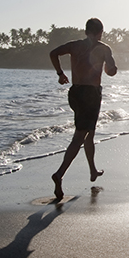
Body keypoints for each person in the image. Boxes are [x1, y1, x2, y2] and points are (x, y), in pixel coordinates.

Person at [50, 18, 117, 201]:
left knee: (89, 133)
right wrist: (111, 68)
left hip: (75, 93)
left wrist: (60, 73)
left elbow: (53, 53)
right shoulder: (104, 48)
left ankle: (93, 170)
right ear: (100, 32)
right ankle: (59, 174)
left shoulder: (75, 45)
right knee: (80, 135)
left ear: (86, 31)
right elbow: (111, 71)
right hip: (91, 95)